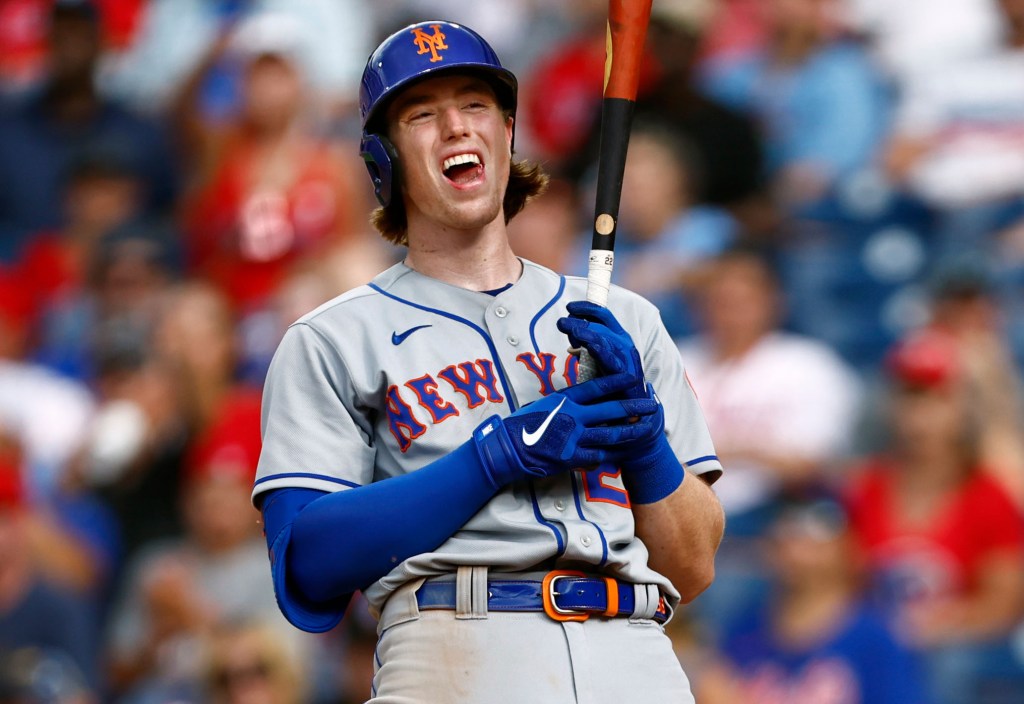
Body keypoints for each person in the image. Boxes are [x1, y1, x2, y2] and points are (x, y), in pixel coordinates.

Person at [254, 20, 725, 704]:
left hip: (634, 652)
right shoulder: (333, 337)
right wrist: (495, 456)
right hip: (457, 650)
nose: (454, 128)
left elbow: (695, 563)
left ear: (508, 132)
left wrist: (645, 439)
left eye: (475, 105)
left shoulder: (626, 320)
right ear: (383, 162)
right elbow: (308, 564)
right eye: (421, 114)